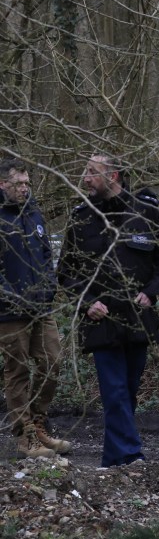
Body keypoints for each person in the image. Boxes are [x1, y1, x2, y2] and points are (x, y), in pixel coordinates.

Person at [57, 155, 159, 467]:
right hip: (101, 320)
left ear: (113, 176)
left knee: (128, 392)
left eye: (92, 173)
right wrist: (86, 302)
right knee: (114, 392)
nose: (85, 179)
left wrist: (151, 293)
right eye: (85, 173)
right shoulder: (82, 218)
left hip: (138, 319)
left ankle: (113, 459)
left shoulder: (147, 213)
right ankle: (131, 456)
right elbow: (66, 271)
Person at [0, 158, 67, 459]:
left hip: (42, 307)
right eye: (18, 183)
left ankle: (39, 423)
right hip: (9, 310)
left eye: (27, 183)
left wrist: (49, 287)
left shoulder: (34, 214)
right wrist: (10, 295)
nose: (24, 188)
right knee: (17, 371)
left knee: (52, 362)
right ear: (3, 183)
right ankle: (25, 435)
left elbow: (44, 255)